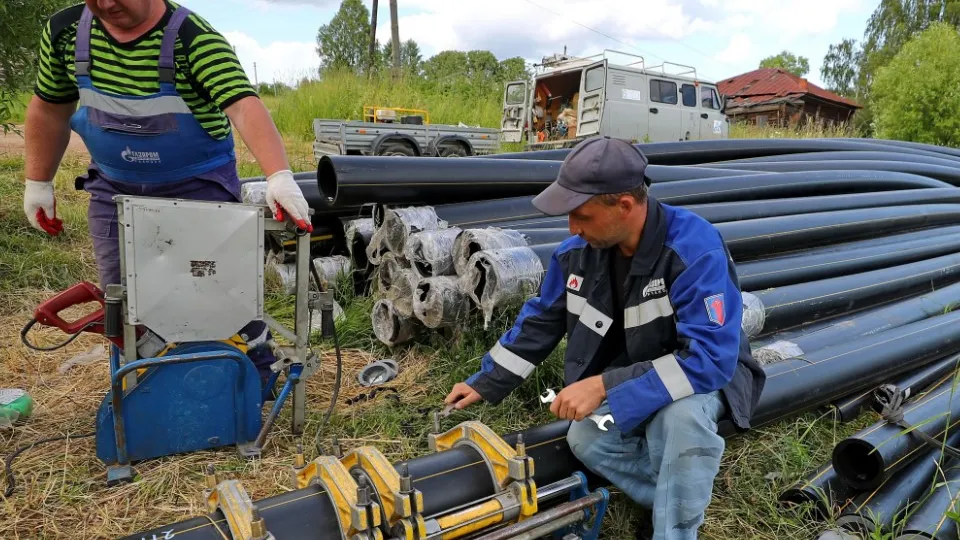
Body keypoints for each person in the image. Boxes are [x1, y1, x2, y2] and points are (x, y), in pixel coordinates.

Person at [444, 136, 765, 539]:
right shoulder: (577, 254)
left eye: (582, 216)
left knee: (678, 420)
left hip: (702, 377)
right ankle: (672, 493)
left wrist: (602, 385)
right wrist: (485, 381)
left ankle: (674, 529)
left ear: (625, 206)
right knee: (585, 438)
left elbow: (710, 361)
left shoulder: (692, 250)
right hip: (634, 373)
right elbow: (541, 320)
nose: (572, 228)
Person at [21, 0, 312, 385]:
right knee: (123, 298)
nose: (107, 3)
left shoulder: (194, 39)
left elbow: (244, 105)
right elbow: (49, 109)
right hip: (115, 190)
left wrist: (279, 175)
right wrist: (37, 182)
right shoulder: (65, 32)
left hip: (198, 186)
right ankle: (149, 384)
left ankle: (257, 377)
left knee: (216, 290)